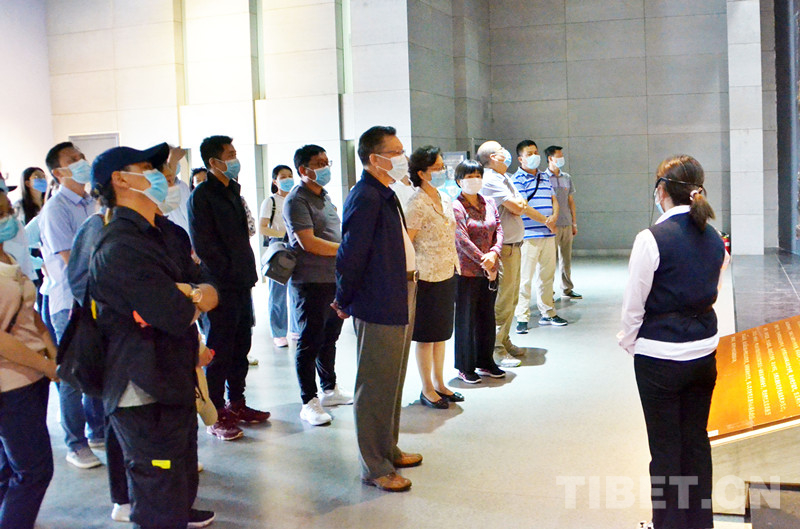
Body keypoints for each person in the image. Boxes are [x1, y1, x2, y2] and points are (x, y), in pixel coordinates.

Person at [89, 142, 218, 529]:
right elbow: (174, 313)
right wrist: (194, 297)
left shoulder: (164, 233)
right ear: (119, 179)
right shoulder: (118, 245)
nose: (160, 176)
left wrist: (191, 293)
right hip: (142, 386)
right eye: (147, 167)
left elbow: (208, 287)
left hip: (173, 374)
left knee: (179, 480)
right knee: (158, 492)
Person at [619, 155, 726, 529]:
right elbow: (711, 291)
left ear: (661, 190)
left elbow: (634, 303)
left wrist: (630, 341)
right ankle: (699, 523)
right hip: (703, 352)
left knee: (666, 448)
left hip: (660, 357)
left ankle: (668, 524)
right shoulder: (715, 237)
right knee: (696, 441)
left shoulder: (650, 238)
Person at [334, 125, 422, 492]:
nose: (404, 157)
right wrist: (344, 297)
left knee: (393, 379)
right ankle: (374, 465)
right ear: (375, 158)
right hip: (379, 297)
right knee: (374, 385)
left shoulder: (385, 192)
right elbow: (351, 253)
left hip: (400, 290)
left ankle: (388, 449)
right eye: (396, 152)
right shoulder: (365, 196)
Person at [188, 135, 268, 441]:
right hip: (220, 286)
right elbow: (204, 246)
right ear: (213, 162)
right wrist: (226, 276)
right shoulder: (202, 196)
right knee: (219, 350)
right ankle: (216, 410)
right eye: (230, 154)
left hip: (242, 282)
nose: (235, 159)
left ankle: (238, 402)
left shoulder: (233, 191)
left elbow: (242, 238)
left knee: (241, 347)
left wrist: (246, 274)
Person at [40, 141, 105, 469]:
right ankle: (75, 444)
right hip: (68, 302)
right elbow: (71, 260)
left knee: (96, 366)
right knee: (72, 375)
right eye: (73, 159)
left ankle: (98, 431)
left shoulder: (93, 201)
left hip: (95, 298)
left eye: (81, 157)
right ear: (58, 171)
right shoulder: (56, 209)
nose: (81, 162)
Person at [0, 188, 58, 529]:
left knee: (11, 466)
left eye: (7, 209)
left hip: (31, 374)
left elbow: (29, 312)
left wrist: (51, 351)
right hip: (10, 382)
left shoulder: (8, 258)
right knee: (33, 470)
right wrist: (47, 365)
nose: (8, 218)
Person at [284, 145, 352, 426]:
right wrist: (346, 249)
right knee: (309, 340)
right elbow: (308, 242)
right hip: (309, 281)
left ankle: (329, 389)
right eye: (319, 163)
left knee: (329, 337)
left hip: (333, 278)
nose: (325, 167)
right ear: (304, 169)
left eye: (327, 162)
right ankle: (308, 400)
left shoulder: (324, 196)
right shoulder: (296, 200)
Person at [405, 146, 461, 408]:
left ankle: (440, 382)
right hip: (426, 277)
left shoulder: (444, 197)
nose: (442, 171)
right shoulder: (416, 204)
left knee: (441, 334)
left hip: (447, 271)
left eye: (442, 166)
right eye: (436, 167)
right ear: (421, 173)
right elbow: (407, 243)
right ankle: (427, 388)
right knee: (426, 337)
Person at [451, 160, 504, 383]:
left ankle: (486, 361)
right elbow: (461, 239)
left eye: (478, 176)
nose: (474, 180)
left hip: (490, 270)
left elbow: (498, 229)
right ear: (459, 181)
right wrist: (485, 260)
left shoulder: (488, 202)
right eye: (469, 176)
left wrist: (494, 253)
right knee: (467, 319)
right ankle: (465, 366)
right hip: (467, 272)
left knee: (487, 317)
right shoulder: (456, 206)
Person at [477, 141, 527, 368]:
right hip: (503, 248)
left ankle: (504, 339)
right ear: (493, 157)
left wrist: (518, 204)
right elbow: (517, 207)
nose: (505, 153)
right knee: (503, 300)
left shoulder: (504, 178)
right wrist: (518, 204)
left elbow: (521, 203)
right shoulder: (490, 179)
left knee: (512, 297)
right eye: (501, 151)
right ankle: (495, 347)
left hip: (514, 245)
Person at [511, 140, 566, 331]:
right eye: (529, 154)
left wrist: (554, 217)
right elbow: (523, 206)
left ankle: (548, 312)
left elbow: (553, 199)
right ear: (520, 159)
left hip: (548, 234)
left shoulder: (544, 176)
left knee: (547, 276)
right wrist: (545, 220)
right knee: (525, 278)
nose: (534, 156)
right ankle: (522, 317)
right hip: (529, 235)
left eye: (535, 152)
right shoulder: (517, 179)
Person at [259, 165, 293, 348]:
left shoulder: (296, 198)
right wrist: (282, 234)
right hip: (279, 246)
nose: (287, 179)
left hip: (297, 245)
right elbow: (262, 227)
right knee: (278, 292)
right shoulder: (271, 201)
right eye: (283, 176)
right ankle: (279, 332)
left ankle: (296, 328)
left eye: (290, 175)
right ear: (275, 181)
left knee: (297, 290)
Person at [545, 146, 581, 301]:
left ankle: (567, 288)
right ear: (550, 158)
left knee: (566, 259)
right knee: (549, 261)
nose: (561, 159)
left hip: (566, 223)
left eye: (562, 156)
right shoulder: (543, 178)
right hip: (552, 225)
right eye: (558, 156)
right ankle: (548, 292)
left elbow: (570, 201)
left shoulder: (567, 177)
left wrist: (574, 223)